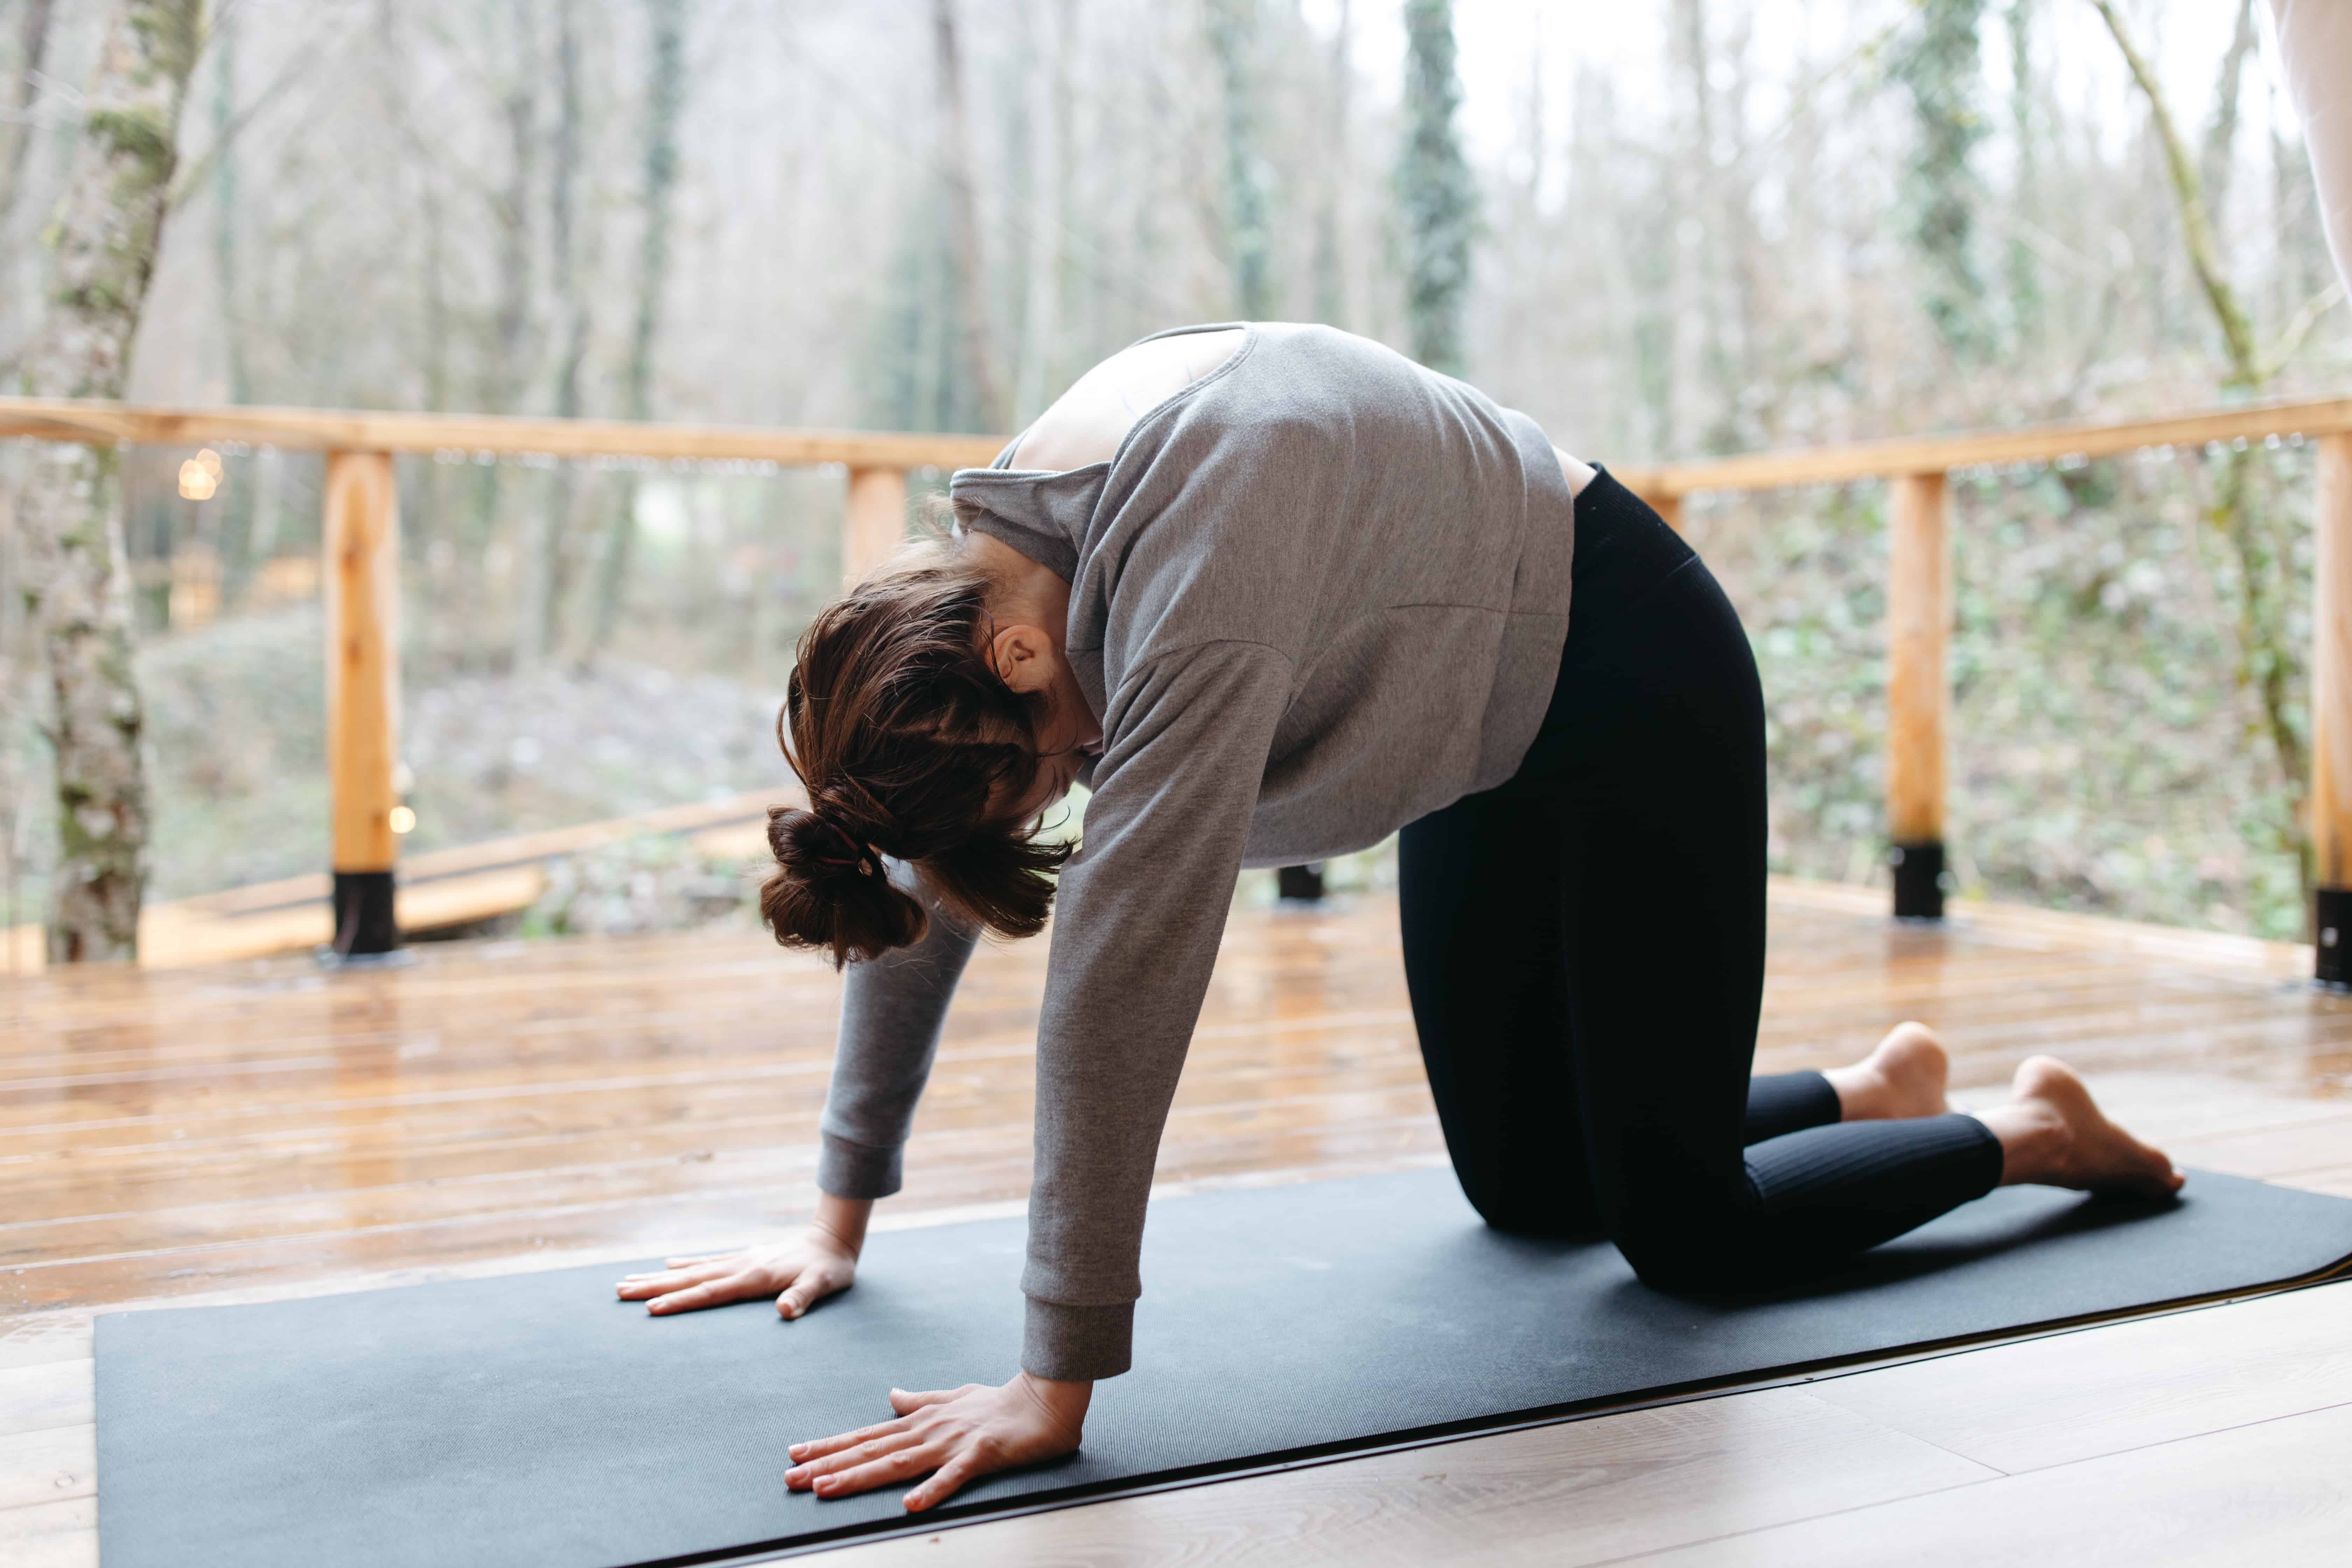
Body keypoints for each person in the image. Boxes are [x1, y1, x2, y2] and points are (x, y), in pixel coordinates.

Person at [613, 322, 2183, 1513]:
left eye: (1054, 773)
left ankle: (2025, 1126)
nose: (1076, 780)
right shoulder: (1010, 586)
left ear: (1019, 665)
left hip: (1630, 671)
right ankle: (1859, 1091)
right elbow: (932, 868)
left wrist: (1056, 1378)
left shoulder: (1189, 561)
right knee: (1528, 1193)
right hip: (1473, 726)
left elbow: (1123, 969)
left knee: (1688, 1236)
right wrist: (838, 1205)